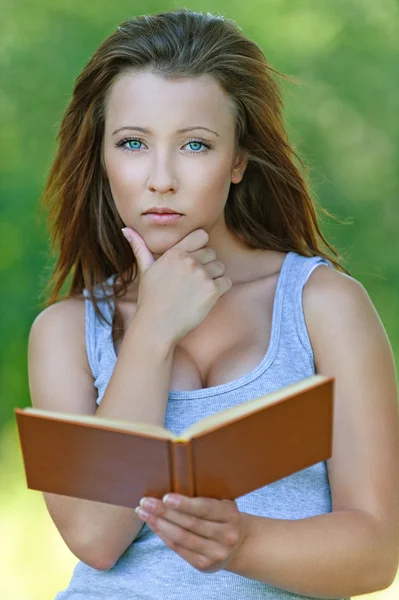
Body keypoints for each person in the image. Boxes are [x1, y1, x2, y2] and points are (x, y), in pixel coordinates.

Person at [28, 8, 399, 600]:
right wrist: (153, 331)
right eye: (132, 143)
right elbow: (96, 537)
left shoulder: (324, 307)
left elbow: (377, 553)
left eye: (195, 145)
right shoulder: (66, 331)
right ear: (101, 157)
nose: (161, 178)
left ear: (238, 162)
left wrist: (241, 542)